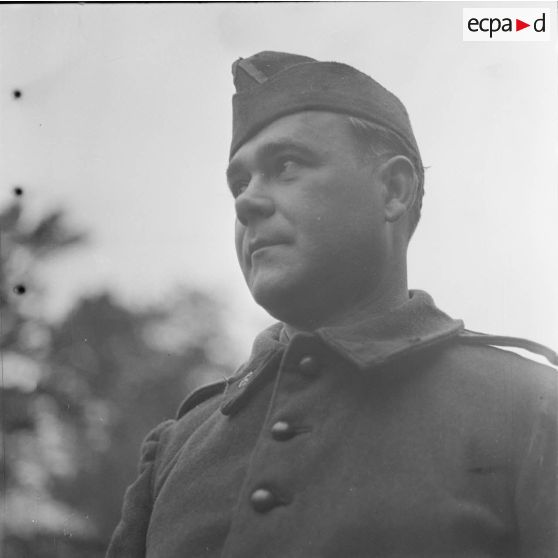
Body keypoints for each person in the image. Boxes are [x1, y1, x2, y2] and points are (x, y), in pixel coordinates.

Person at [106, 51, 557, 558]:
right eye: (239, 182)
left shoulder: (536, 407)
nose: (245, 202)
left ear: (393, 190)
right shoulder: (180, 445)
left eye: (287, 165)